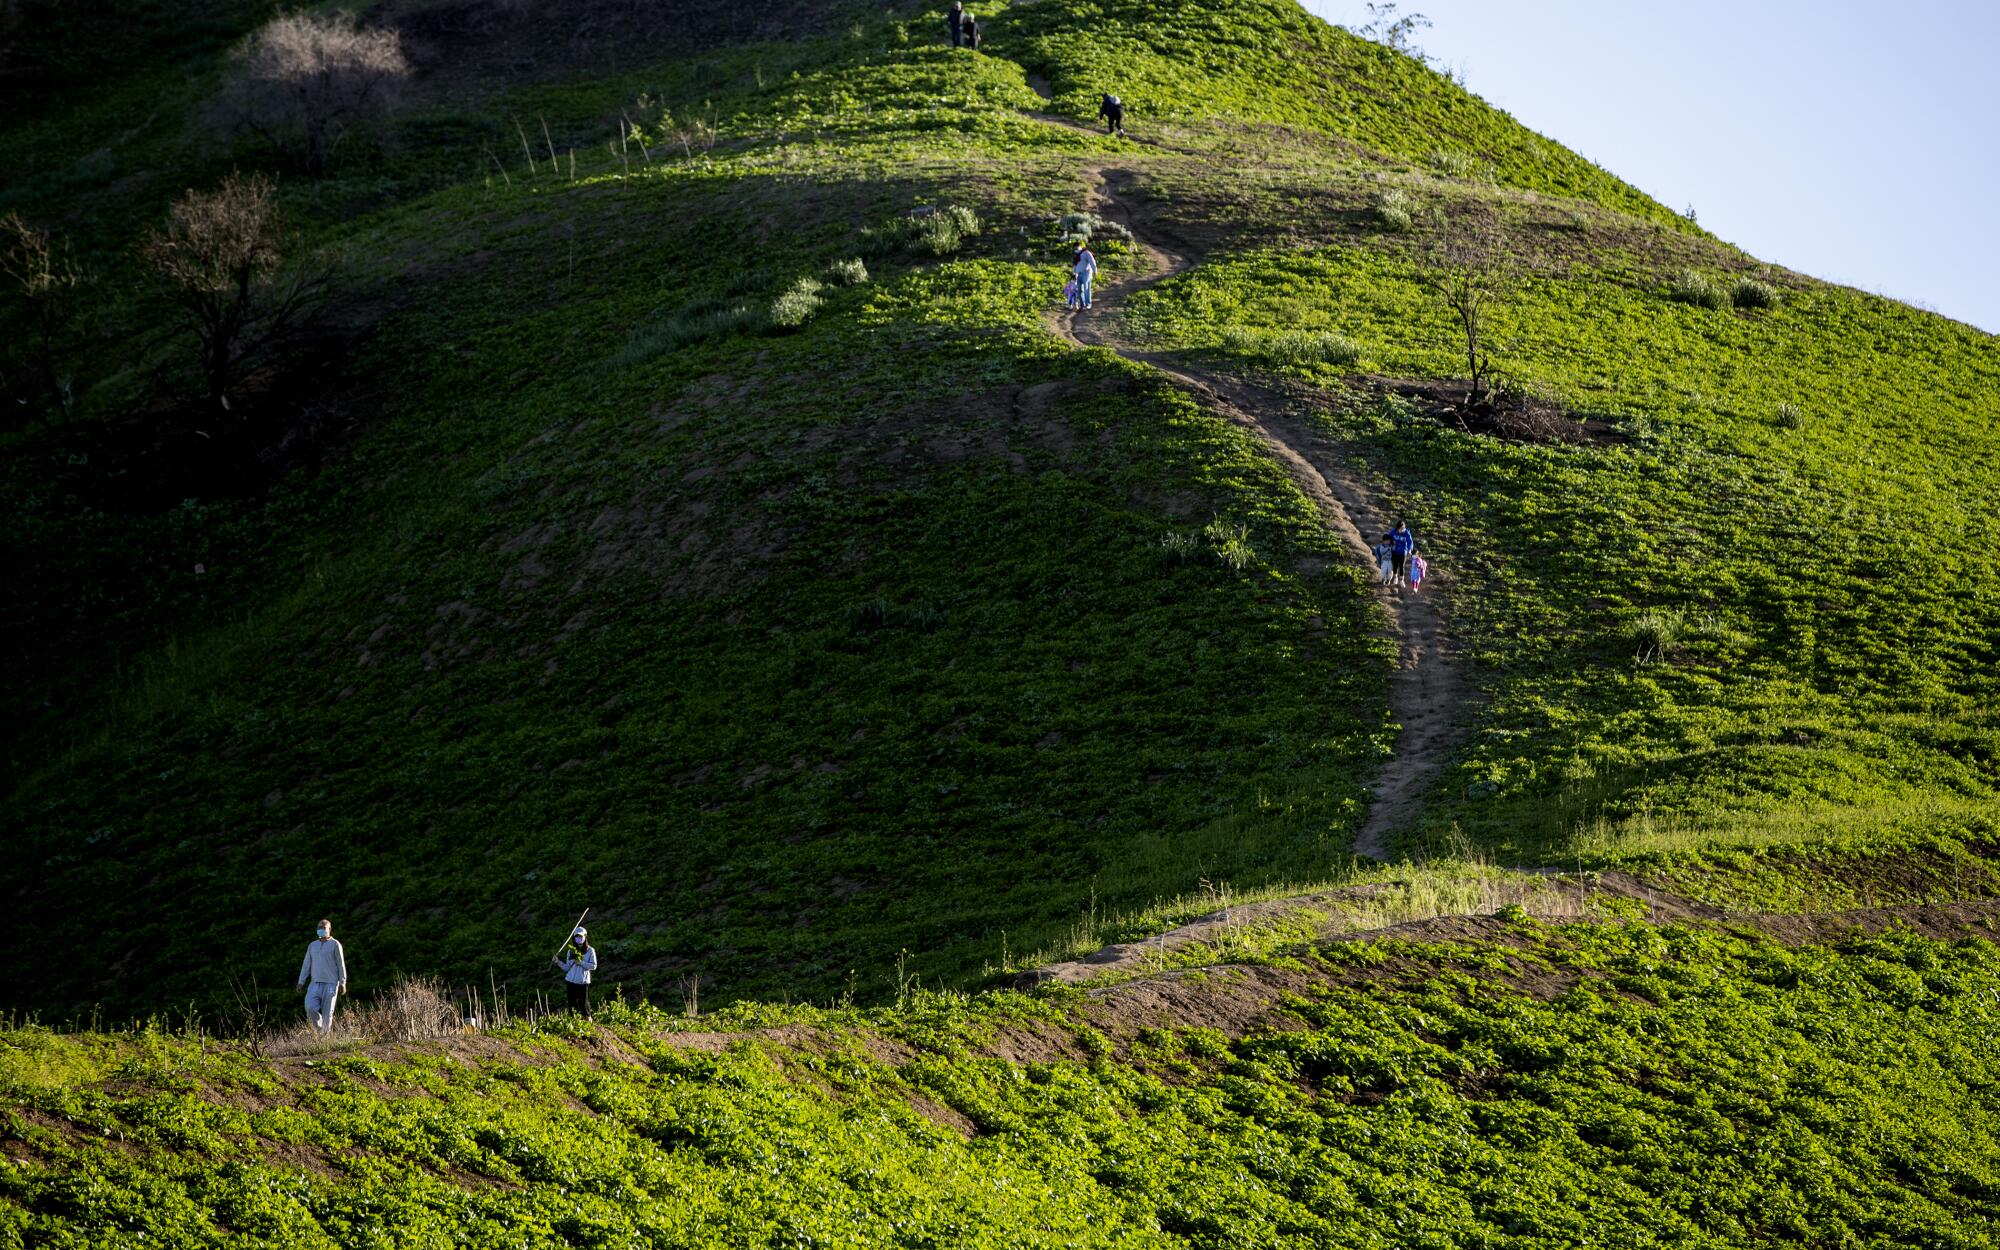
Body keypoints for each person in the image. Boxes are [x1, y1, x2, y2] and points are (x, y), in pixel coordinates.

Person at [296, 919, 348, 1036]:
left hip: (331, 984)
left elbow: (341, 964)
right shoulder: (312, 946)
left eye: (324, 928)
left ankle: (325, 1039)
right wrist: (301, 981)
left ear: (329, 929)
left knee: (327, 1014)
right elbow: (306, 964)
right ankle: (320, 1030)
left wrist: (342, 982)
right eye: (319, 927)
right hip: (315, 983)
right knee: (310, 1008)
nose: (321, 930)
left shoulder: (335, 944)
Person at [555, 925, 598, 1018]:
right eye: (577, 937)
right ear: (574, 938)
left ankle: (588, 1021)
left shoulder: (590, 950)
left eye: (581, 936)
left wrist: (581, 963)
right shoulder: (571, 951)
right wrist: (558, 962)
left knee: (584, 1003)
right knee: (572, 1003)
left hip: (582, 981)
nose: (579, 938)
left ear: (585, 937)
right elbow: (567, 967)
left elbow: (593, 966)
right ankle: (574, 1022)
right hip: (570, 980)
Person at [1389, 521, 1415, 589]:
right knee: (1395, 565)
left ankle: (1401, 580)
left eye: (1403, 528)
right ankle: (1395, 578)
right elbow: (1388, 538)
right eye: (1400, 529)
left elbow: (1410, 542)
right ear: (1397, 528)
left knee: (1401, 566)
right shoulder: (1393, 532)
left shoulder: (1407, 533)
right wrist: (1391, 542)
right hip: (1394, 551)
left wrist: (1409, 550)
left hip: (1403, 552)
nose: (1402, 530)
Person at [1072, 242, 1097, 310]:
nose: (1076, 249)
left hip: (1087, 272)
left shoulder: (1086, 253)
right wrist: (1073, 272)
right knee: (1079, 290)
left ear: (1080, 246)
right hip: (1078, 273)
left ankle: (1088, 304)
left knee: (1086, 288)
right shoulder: (1076, 255)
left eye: (1077, 247)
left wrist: (1095, 271)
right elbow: (1074, 264)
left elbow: (1092, 261)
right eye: (1075, 248)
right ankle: (1082, 304)